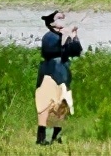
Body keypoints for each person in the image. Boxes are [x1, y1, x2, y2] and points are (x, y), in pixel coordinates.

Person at [35, 11, 82, 145]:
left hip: (63, 75)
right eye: (58, 17)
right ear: (51, 23)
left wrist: (74, 36)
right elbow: (50, 50)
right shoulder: (48, 36)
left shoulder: (64, 36)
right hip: (49, 75)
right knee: (46, 106)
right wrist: (65, 35)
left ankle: (56, 136)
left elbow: (76, 51)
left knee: (62, 106)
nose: (63, 19)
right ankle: (42, 138)